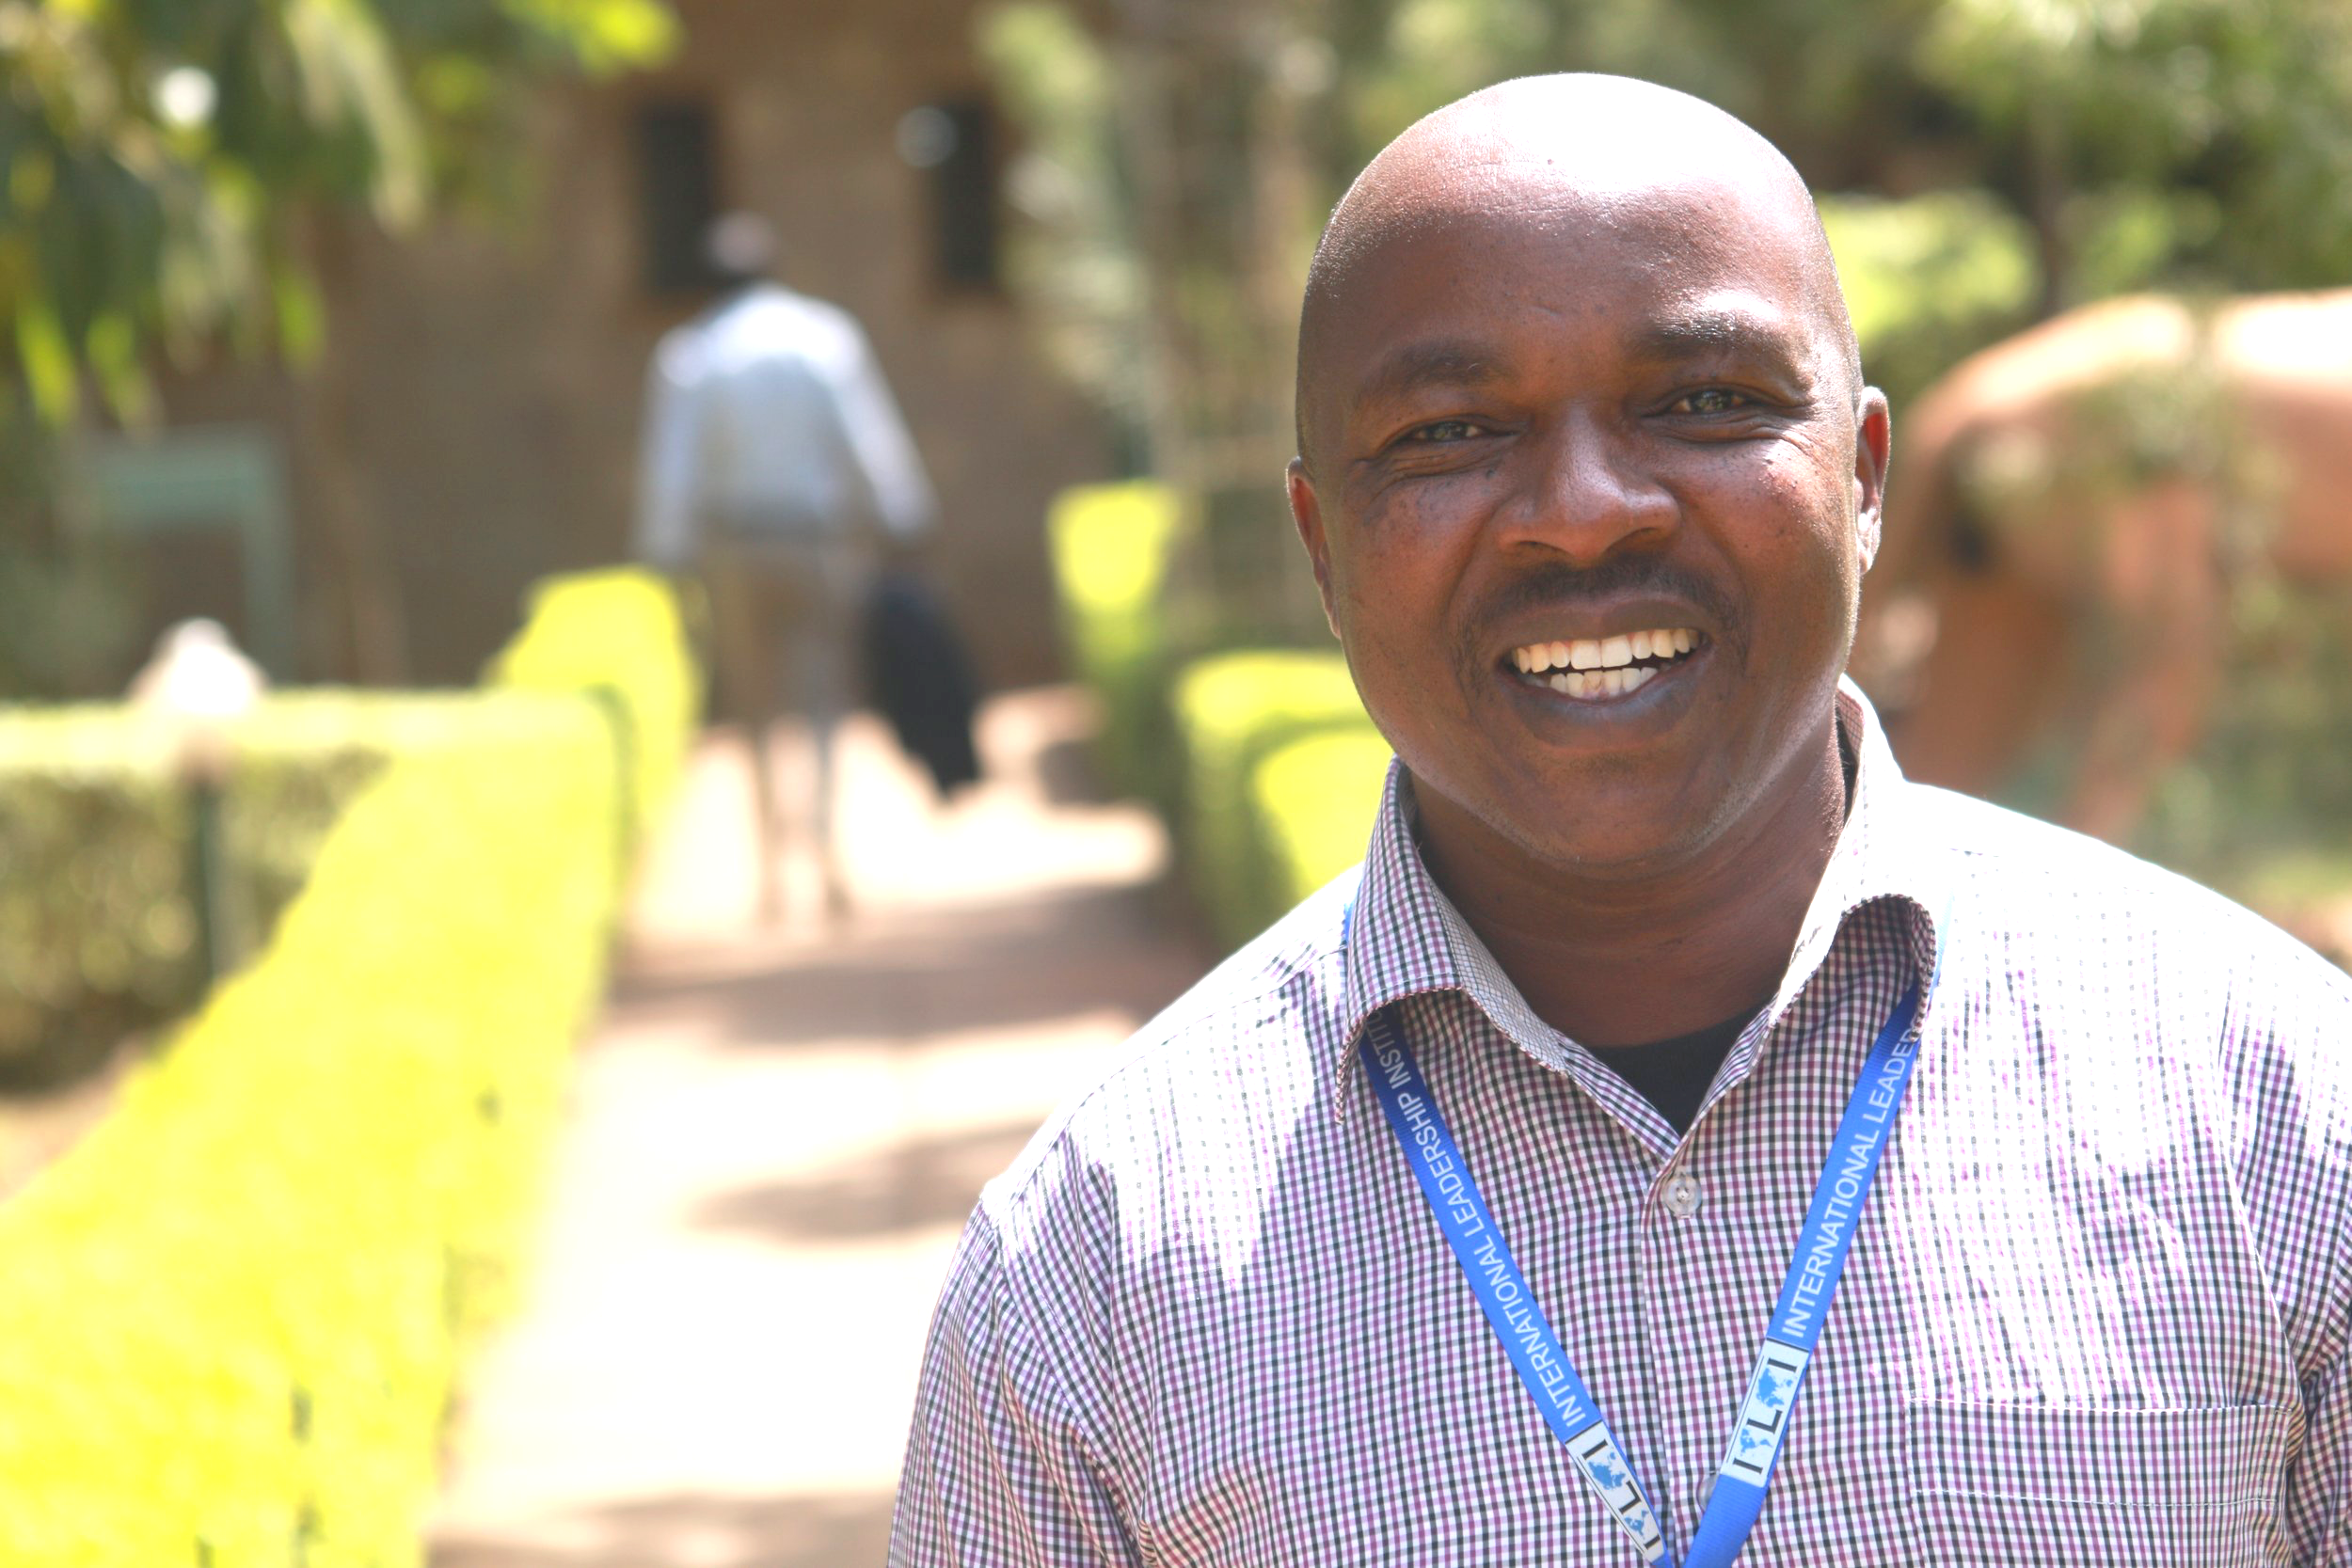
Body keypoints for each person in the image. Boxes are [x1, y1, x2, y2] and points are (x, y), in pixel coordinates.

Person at [889, 74, 2352, 1566]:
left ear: (1860, 478)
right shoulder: (1088, 1286)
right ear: (1325, 551)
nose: (1584, 510)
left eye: (1706, 401)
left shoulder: (2286, 1118)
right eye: (1452, 431)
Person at [635, 212, 937, 922]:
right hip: (815, 541)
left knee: (755, 708)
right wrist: (905, 518)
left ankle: (771, 869)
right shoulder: (823, 338)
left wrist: (665, 561)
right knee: (824, 699)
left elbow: (669, 472)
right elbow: (869, 439)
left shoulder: (691, 354)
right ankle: (828, 854)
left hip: (731, 547)